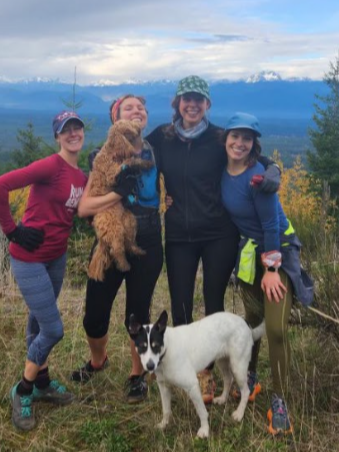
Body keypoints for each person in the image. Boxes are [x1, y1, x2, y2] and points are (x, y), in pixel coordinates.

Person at [146, 75, 281, 403]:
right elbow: (129, 146)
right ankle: (195, 373)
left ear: (208, 104)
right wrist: (96, 157)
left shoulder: (220, 136)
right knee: (180, 307)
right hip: (179, 234)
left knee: (214, 305)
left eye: (199, 99)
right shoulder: (161, 137)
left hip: (219, 233)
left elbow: (253, 155)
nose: (192, 104)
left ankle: (220, 373)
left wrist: (273, 171)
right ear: (177, 103)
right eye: (186, 98)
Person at [221, 112, 313, 435]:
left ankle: (279, 400)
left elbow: (272, 224)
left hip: (279, 253)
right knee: (252, 319)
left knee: (274, 329)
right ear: (226, 138)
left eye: (247, 138)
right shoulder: (222, 171)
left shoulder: (258, 177)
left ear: (254, 144)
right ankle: (250, 378)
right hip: (249, 255)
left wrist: (272, 269)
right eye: (235, 136)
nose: (240, 143)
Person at [71, 95, 163, 404]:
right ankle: (99, 361)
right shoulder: (102, 155)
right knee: (94, 318)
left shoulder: (157, 148)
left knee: (136, 314)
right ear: (116, 120)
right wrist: (117, 194)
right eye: (128, 108)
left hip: (148, 240)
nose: (136, 111)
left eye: (141, 107)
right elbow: (85, 206)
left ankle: (137, 375)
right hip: (110, 245)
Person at [0, 111, 87, 431]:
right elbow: (2, 184)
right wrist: (11, 230)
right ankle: (22, 390)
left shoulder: (82, 176)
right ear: (57, 137)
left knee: (39, 321)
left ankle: (43, 382)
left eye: (77, 128)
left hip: (56, 257)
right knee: (54, 329)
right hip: (28, 257)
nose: (73, 133)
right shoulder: (52, 166)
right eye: (66, 130)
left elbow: (85, 209)